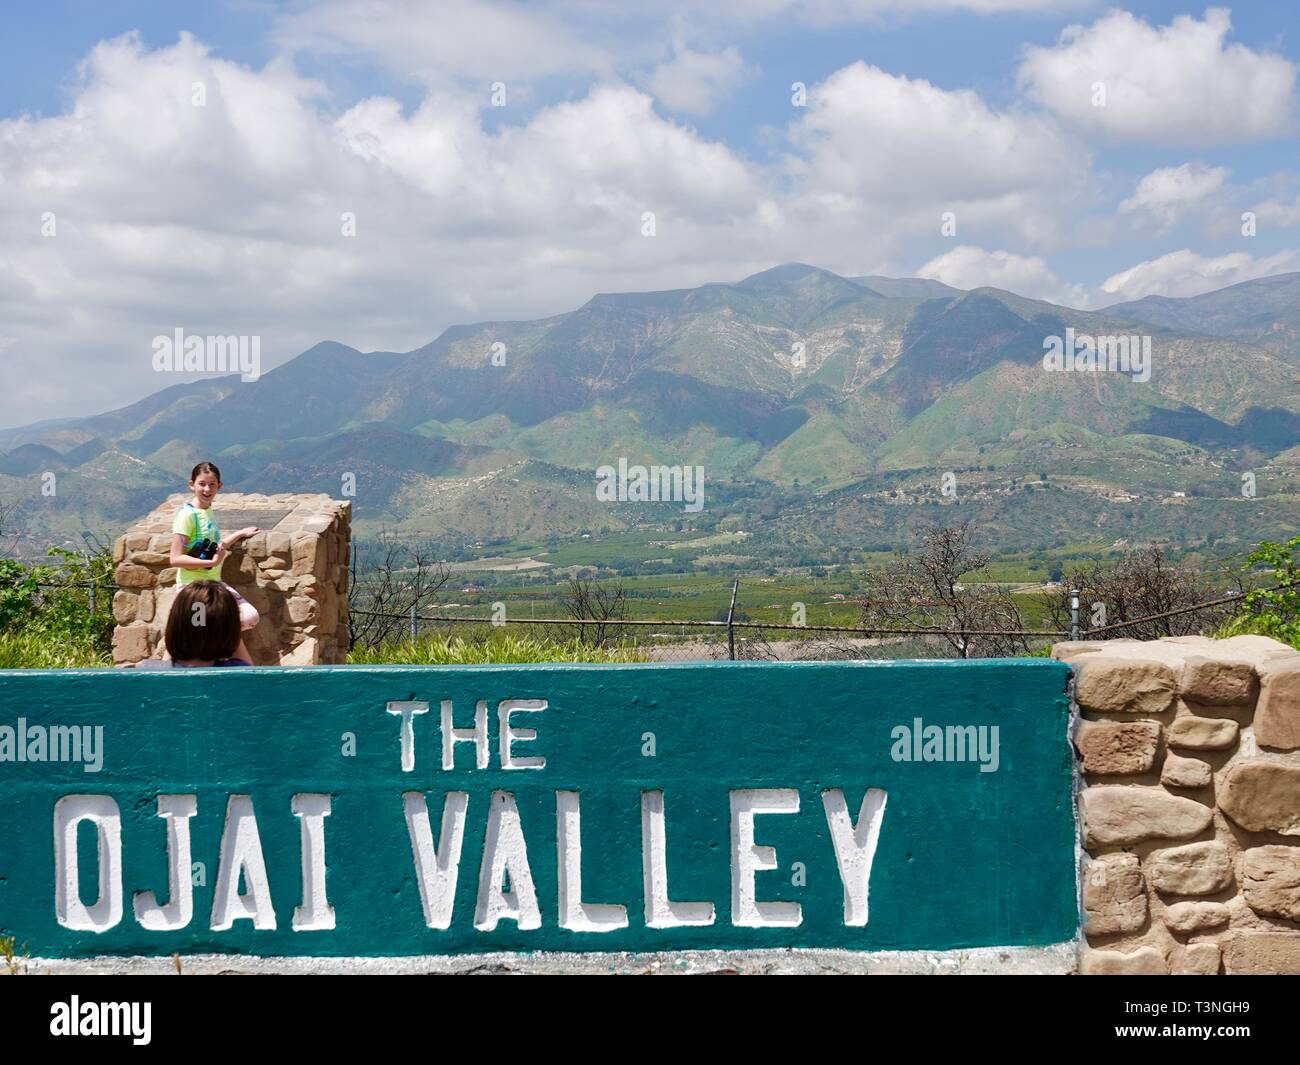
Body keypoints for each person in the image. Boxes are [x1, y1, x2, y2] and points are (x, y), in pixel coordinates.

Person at [168, 461, 261, 633]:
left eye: (212, 485)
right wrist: (213, 561)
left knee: (249, 617)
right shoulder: (186, 515)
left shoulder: (207, 511)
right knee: (199, 625)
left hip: (214, 584)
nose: (207, 489)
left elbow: (214, 546)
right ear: (191, 484)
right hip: (192, 588)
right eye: (201, 484)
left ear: (219, 486)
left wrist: (240, 533)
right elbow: (175, 559)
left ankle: (214, 643)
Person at [136, 582, 252, 667]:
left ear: (175, 626)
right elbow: (253, 678)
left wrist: (179, 628)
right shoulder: (237, 672)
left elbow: (167, 666)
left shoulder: (147, 670)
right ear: (231, 631)